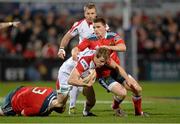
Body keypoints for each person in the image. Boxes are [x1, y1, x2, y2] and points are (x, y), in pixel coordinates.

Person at [72, 17, 148, 116]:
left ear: (105, 27)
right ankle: (115, 106)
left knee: (137, 89)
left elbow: (123, 47)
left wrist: (108, 47)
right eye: (94, 27)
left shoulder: (113, 36)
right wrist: (74, 53)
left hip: (116, 70)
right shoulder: (90, 39)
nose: (96, 29)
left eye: (98, 27)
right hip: (104, 75)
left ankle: (138, 113)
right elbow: (77, 48)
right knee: (122, 93)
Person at [57, 2, 98, 115]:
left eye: (92, 13)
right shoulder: (80, 24)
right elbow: (67, 36)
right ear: (84, 14)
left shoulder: (101, 25)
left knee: (91, 97)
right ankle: (72, 106)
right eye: (88, 13)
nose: (90, 15)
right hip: (82, 59)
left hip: (95, 61)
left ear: (96, 14)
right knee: (76, 79)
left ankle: (84, 109)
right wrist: (61, 48)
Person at [56, 47, 110, 116]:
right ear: (96, 57)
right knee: (60, 106)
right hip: (66, 73)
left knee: (92, 100)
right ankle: (48, 100)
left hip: (80, 73)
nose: (103, 64)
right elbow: (71, 80)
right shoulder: (85, 61)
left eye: (104, 62)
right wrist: (86, 84)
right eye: (102, 61)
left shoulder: (98, 55)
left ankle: (86, 113)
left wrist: (91, 77)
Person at [0, 86, 65, 116]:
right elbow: (23, 113)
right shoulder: (40, 108)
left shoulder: (53, 91)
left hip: (22, 89)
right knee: (1, 112)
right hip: (13, 101)